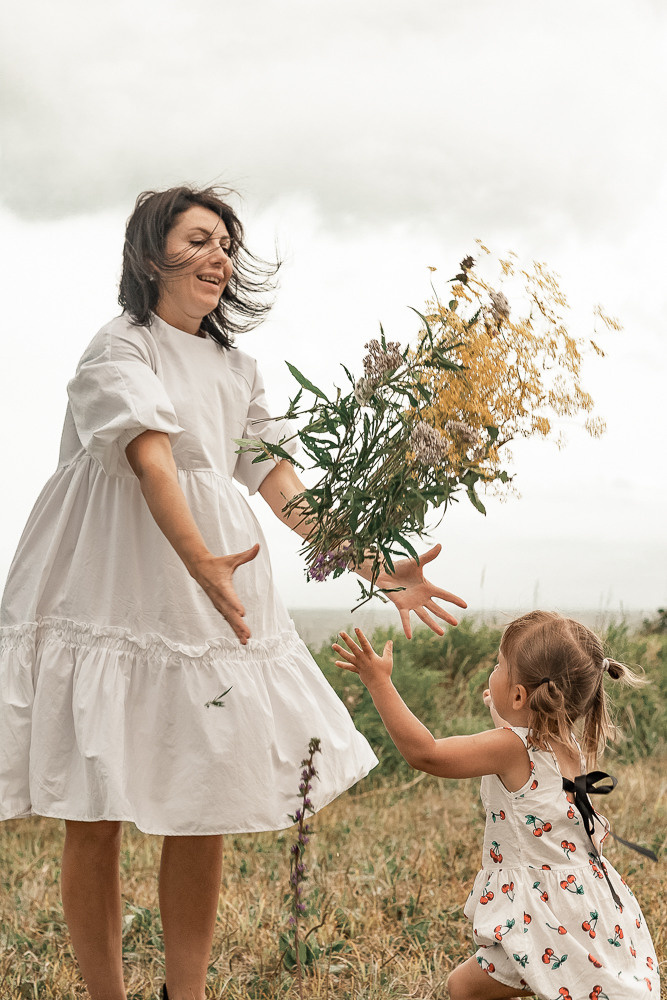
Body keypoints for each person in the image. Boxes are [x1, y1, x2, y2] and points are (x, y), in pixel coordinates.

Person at [0, 184, 467, 1000]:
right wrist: (199, 561)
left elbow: (284, 489)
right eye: (197, 240)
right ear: (151, 257)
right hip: (111, 582)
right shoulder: (119, 349)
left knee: (205, 795)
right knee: (94, 805)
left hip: (208, 589)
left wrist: (376, 565)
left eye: (225, 243)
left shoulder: (236, 367)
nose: (217, 256)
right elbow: (152, 460)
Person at [333, 611, 660, 999]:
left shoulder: (511, 748)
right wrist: (500, 708)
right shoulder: (567, 743)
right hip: (582, 901)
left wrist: (378, 682)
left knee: (463, 988)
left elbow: (427, 754)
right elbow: (518, 736)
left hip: (545, 913)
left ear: (519, 696)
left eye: (499, 665)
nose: (493, 670)